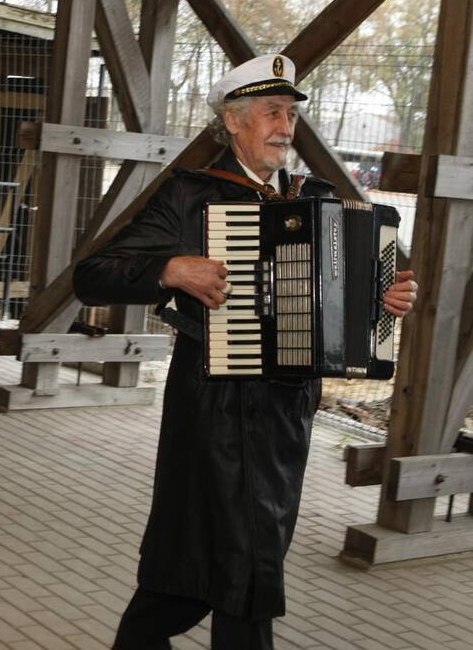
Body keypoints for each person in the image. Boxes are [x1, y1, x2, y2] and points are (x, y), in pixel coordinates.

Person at [73, 55, 418, 649]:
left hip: (286, 412)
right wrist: (171, 268)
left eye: (290, 114)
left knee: (211, 563)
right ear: (233, 122)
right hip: (213, 406)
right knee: (242, 562)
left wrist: (385, 298)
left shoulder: (320, 197)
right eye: (271, 113)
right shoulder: (190, 195)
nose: (285, 126)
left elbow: (345, 300)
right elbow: (93, 275)